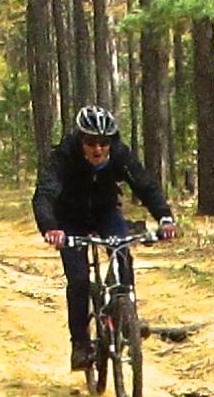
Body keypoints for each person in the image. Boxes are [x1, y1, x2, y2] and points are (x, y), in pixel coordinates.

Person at [33, 105, 177, 370]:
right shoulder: (65, 156)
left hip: (105, 213)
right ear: (80, 140)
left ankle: (126, 313)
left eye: (103, 143)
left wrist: (165, 217)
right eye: (90, 142)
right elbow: (45, 193)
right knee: (78, 281)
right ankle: (80, 344)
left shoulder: (121, 155)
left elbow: (145, 185)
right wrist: (51, 227)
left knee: (122, 253)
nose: (97, 149)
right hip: (69, 220)